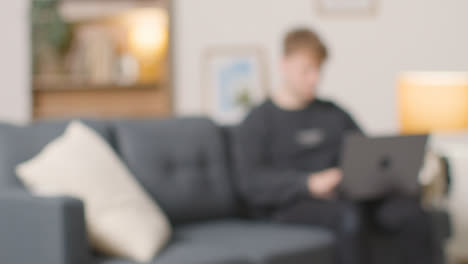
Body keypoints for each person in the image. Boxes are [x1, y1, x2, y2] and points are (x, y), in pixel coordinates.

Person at [234, 28, 435, 264]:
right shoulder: (258, 121)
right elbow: (251, 182)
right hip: (292, 203)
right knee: (348, 217)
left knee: (407, 210)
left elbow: (368, 154)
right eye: (306, 70)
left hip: (345, 194)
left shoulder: (333, 113)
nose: (314, 78)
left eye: (318, 69)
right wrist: (308, 184)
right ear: (284, 65)